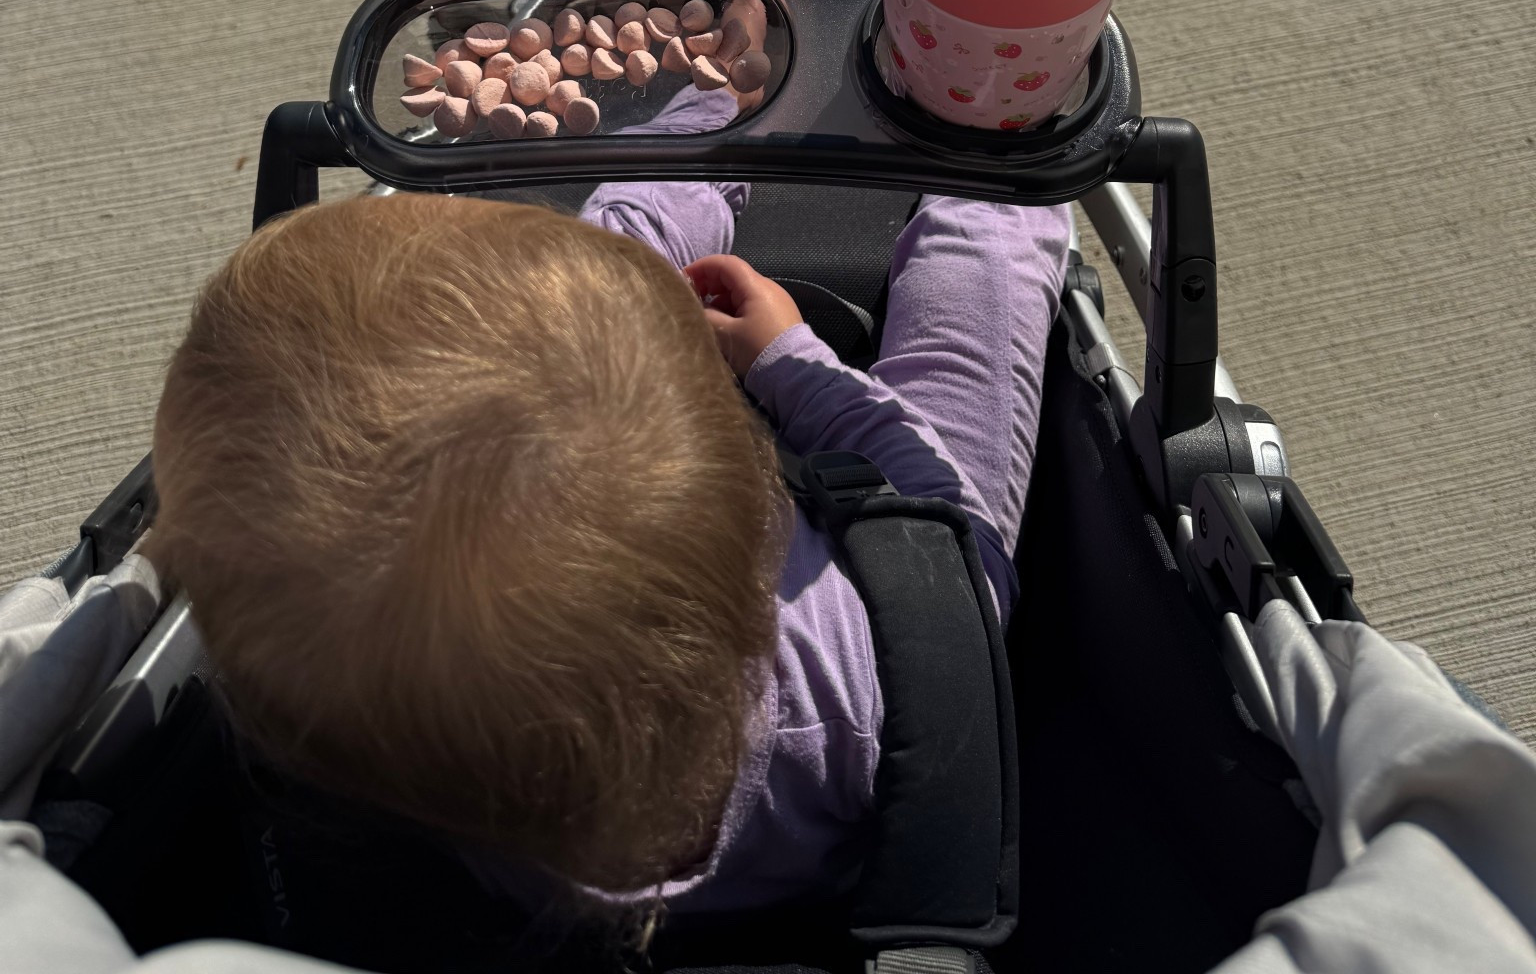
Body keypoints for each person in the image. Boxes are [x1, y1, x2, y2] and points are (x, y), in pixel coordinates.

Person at [147, 88, 1071, 919]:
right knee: (982, 286)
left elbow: (587, 313)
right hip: (878, 726)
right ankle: (993, 146)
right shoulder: (859, 676)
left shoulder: (362, 769)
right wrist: (794, 362)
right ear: (757, 504)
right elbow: (953, 499)